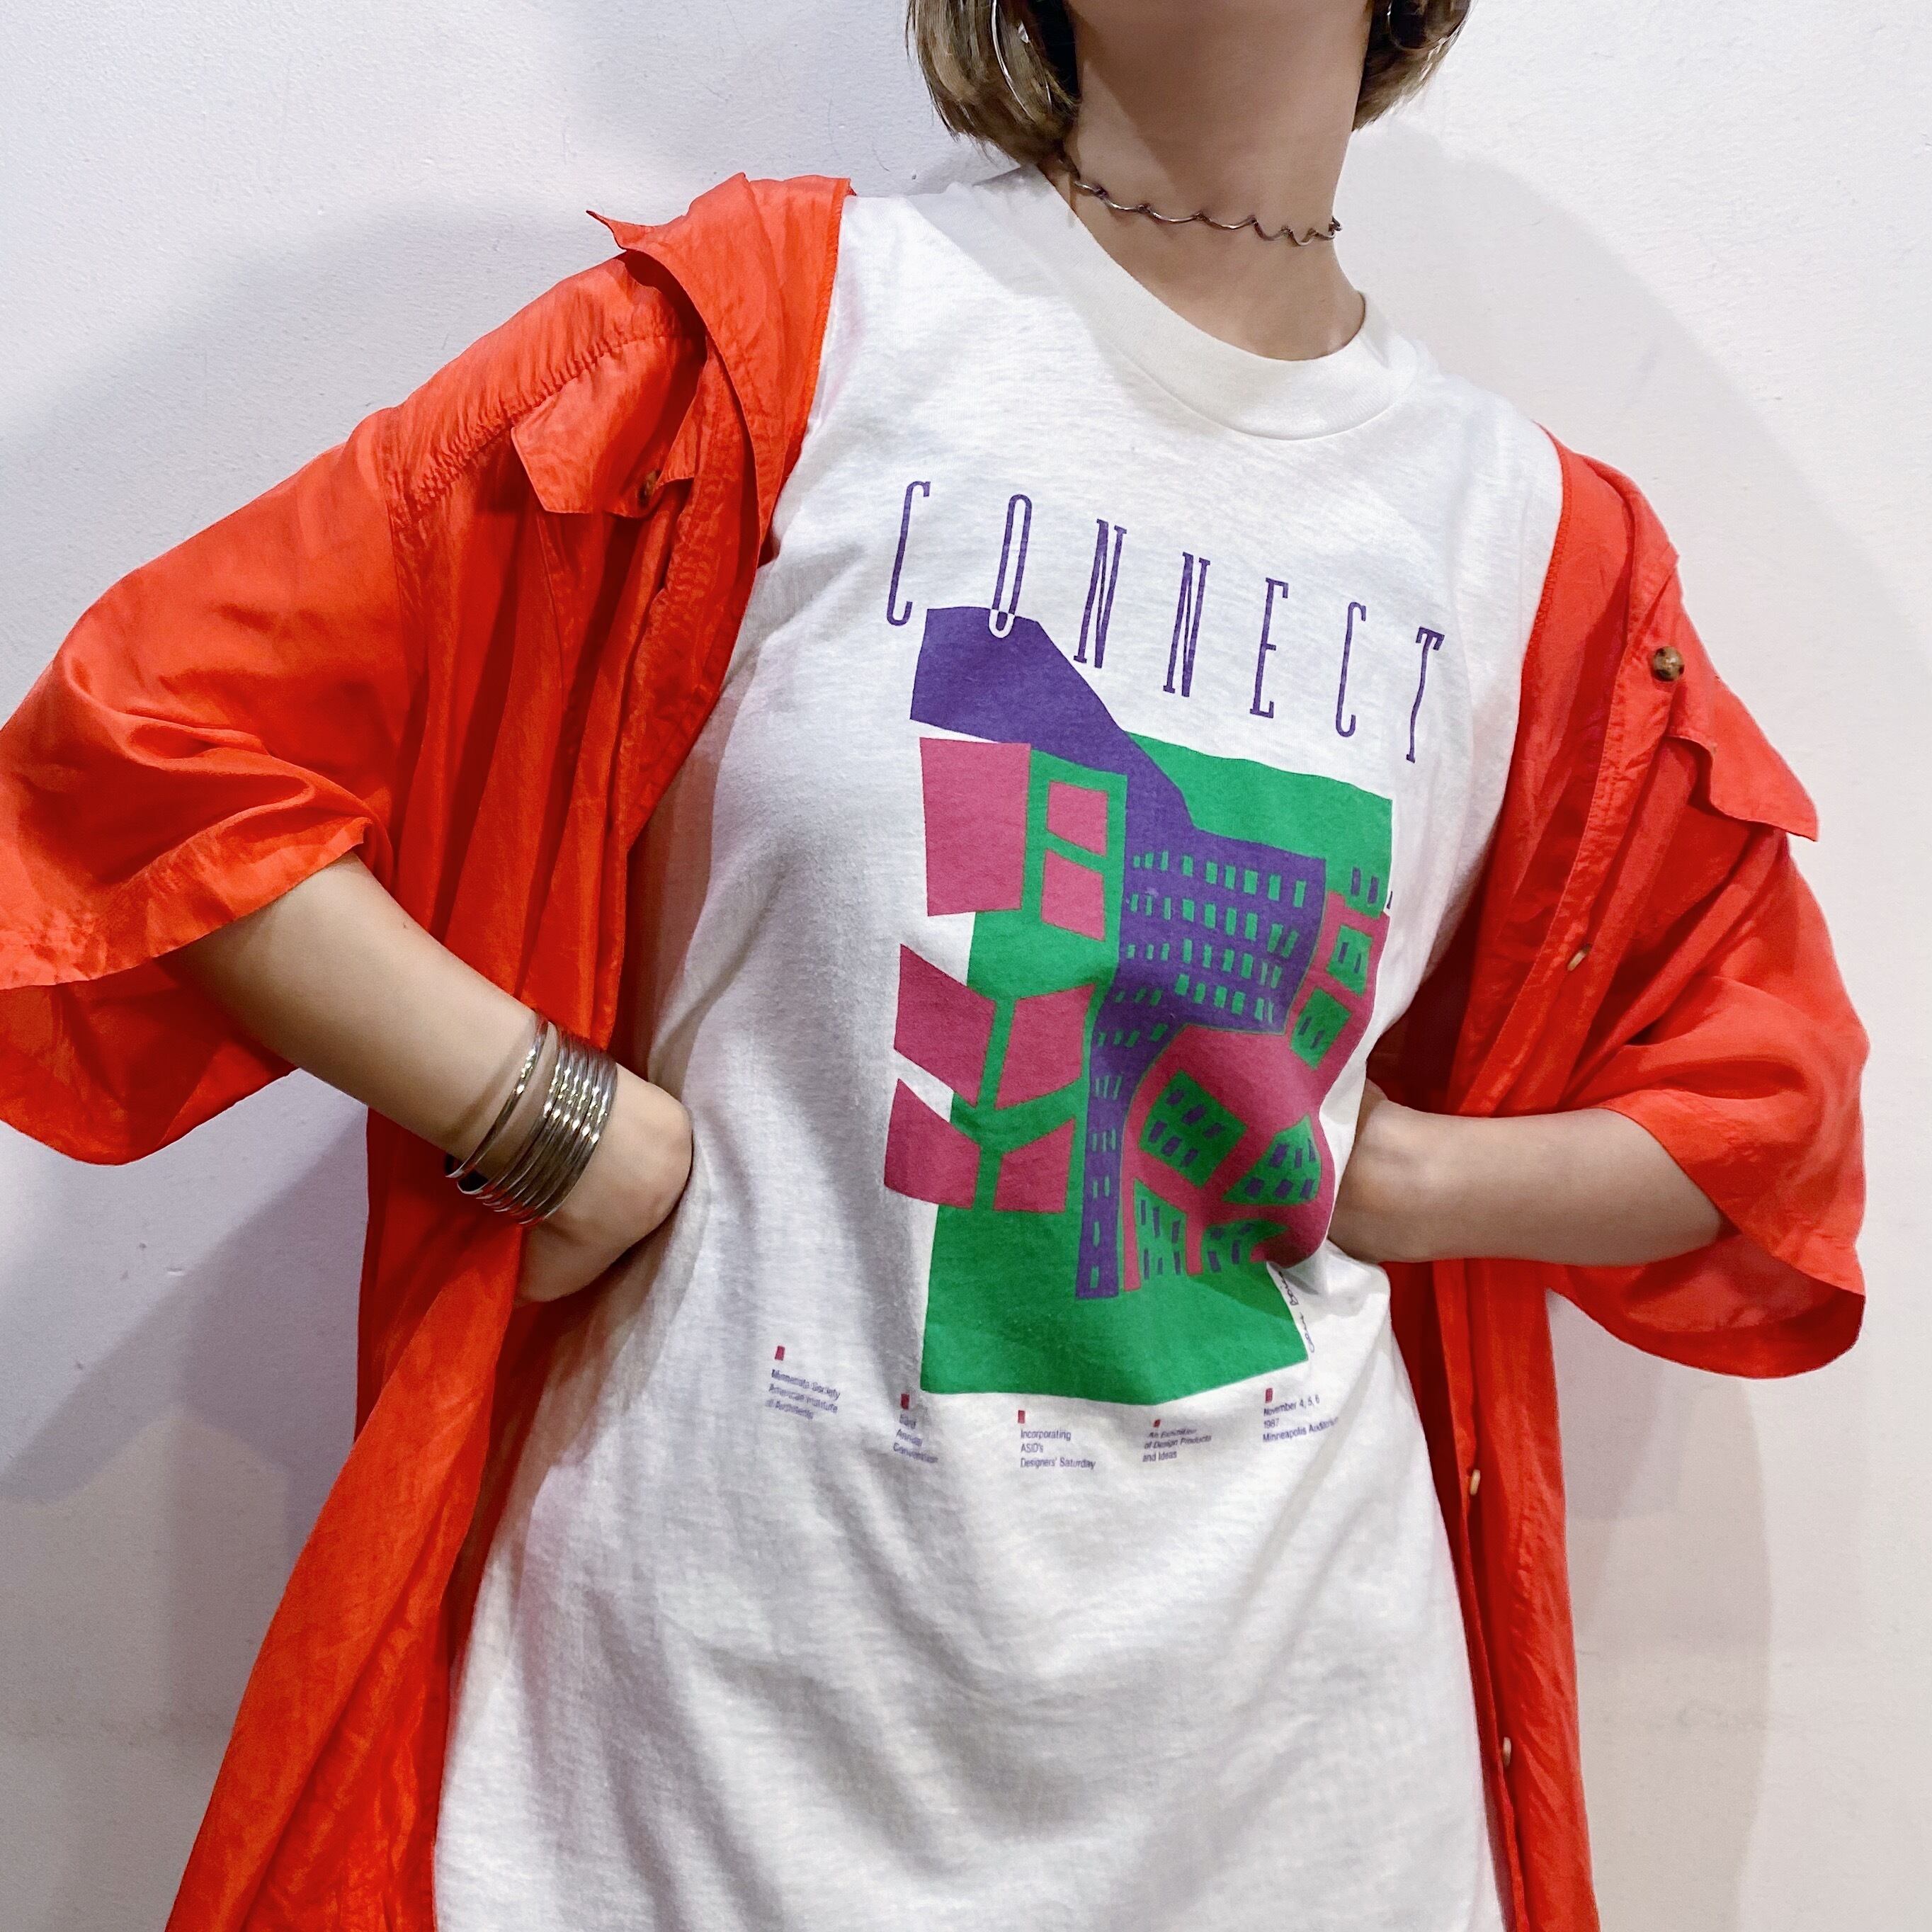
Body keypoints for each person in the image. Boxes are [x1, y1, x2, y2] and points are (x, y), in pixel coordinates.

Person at [0, 2, 1868, 1928]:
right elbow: (143, 751)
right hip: (687, 1766)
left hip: (1300, 1788)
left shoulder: (1530, 537)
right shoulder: (776, 339)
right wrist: (563, 1126)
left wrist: (1390, 1175)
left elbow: (1772, 1116)